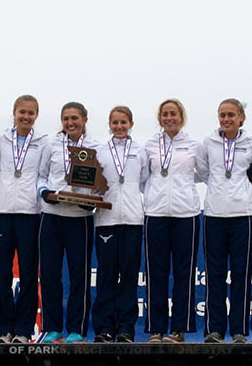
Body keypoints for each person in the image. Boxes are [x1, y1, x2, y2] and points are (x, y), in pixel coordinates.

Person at [143, 99, 208, 343]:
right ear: (160, 118)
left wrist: (182, 190)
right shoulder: (149, 145)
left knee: (184, 273)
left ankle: (179, 329)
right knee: (156, 273)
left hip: (186, 214)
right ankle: (156, 329)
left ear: (182, 117)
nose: (169, 118)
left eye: (174, 114)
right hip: (156, 213)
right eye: (165, 114)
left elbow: (204, 174)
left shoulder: (194, 145)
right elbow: (142, 177)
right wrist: (154, 193)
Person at [201, 99, 252, 343]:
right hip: (214, 213)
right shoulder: (208, 143)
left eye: (231, 115)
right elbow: (204, 173)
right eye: (222, 115)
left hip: (243, 215)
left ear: (241, 117)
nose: (226, 119)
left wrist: (241, 192)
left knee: (241, 274)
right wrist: (218, 190)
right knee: (214, 274)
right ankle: (215, 329)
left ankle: (239, 330)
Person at [37, 102, 97, 343]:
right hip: (51, 216)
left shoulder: (95, 146)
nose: (70, 122)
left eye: (74, 118)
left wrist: (90, 200)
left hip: (79, 218)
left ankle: (77, 329)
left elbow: (101, 181)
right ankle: (52, 328)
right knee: (50, 275)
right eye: (66, 118)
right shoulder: (51, 144)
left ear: (84, 119)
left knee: (78, 275)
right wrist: (44, 192)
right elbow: (41, 175)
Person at [0, 95, 47, 344]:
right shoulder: (0, 140)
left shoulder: (43, 142)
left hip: (30, 214)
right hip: (2, 212)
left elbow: (44, 174)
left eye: (31, 113)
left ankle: (24, 330)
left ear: (36, 115)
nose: (26, 117)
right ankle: (4, 328)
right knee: (2, 274)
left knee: (28, 275)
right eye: (22, 112)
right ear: (14, 112)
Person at [91, 106, 148, 343]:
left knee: (128, 277)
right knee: (106, 276)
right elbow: (93, 183)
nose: (119, 126)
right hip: (106, 220)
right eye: (115, 122)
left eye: (123, 122)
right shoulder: (100, 151)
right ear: (109, 124)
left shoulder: (140, 151)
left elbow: (144, 181)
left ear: (131, 124)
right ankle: (104, 328)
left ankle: (126, 328)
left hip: (133, 220)